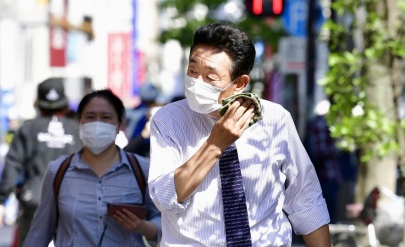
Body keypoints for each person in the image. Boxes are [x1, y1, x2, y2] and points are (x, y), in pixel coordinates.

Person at [148, 22, 331, 246]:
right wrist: (215, 144)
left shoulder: (274, 119)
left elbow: (306, 198)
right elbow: (165, 197)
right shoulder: (168, 120)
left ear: (240, 83)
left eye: (211, 77)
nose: (197, 83)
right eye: (193, 71)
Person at [23, 89, 161, 247]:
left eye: (106, 117)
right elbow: (40, 232)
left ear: (119, 124)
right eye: (90, 117)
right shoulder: (59, 171)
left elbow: (165, 221)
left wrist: (144, 227)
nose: (97, 123)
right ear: (79, 122)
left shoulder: (142, 169)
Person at [0, 77, 83, 246]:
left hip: (35, 200)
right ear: (65, 102)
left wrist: (0, 202)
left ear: (38, 102)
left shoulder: (28, 128)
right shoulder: (76, 130)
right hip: (73, 204)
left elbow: (13, 164)